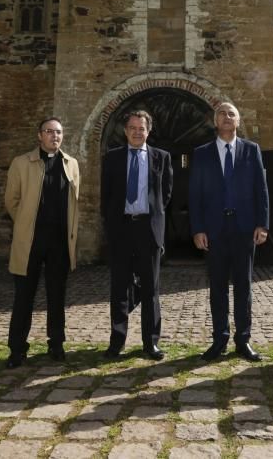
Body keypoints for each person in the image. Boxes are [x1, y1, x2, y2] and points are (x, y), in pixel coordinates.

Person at [189, 102, 270, 362]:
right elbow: (195, 194)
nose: (226, 117)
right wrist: (198, 228)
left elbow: (261, 189)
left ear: (238, 121)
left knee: (244, 286)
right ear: (215, 121)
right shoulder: (202, 153)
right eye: (222, 113)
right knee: (218, 287)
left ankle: (243, 340)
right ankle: (219, 339)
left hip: (245, 228)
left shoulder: (251, 150)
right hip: (214, 230)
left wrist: (263, 224)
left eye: (231, 113)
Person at [3, 117, 81, 367]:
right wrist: (26, 224)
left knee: (57, 297)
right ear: (39, 136)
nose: (54, 136)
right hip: (30, 242)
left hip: (59, 242)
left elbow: (74, 203)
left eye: (58, 132)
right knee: (23, 297)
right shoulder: (21, 163)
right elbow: (11, 201)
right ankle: (17, 349)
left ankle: (56, 345)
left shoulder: (71, 165)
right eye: (49, 132)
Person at [100, 110, 173, 361]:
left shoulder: (161, 158)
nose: (136, 132)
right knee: (119, 287)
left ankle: (150, 343)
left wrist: (152, 219)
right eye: (132, 128)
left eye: (141, 128)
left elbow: (165, 195)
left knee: (150, 289)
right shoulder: (112, 158)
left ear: (148, 131)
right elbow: (106, 195)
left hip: (147, 230)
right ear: (125, 130)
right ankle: (116, 342)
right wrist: (111, 225)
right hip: (121, 229)